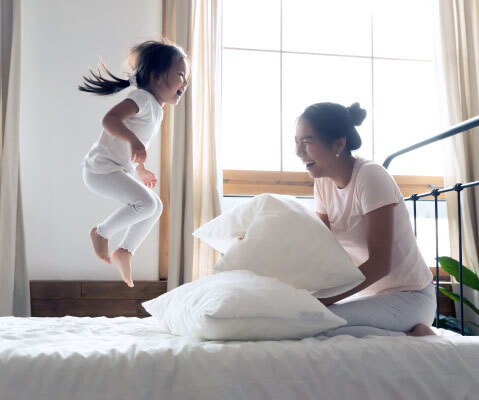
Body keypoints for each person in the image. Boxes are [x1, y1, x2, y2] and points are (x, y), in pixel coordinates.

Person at [295, 101, 436, 337]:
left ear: (339, 144)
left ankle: (414, 337)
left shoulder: (371, 176)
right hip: (369, 296)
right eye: (297, 142)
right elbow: (319, 243)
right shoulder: (322, 181)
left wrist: (324, 300)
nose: (299, 152)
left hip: (410, 297)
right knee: (301, 320)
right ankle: (408, 336)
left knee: (316, 326)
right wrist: (264, 240)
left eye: (307, 142)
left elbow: (380, 264)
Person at [80, 40, 189, 287]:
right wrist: (133, 141)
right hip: (100, 170)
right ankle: (101, 233)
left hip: (115, 169)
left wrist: (140, 168)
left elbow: (134, 145)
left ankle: (125, 251)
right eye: (181, 74)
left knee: (155, 206)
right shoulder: (141, 97)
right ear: (158, 77)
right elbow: (109, 119)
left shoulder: (155, 108)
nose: (185, 82)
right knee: (146, 203)